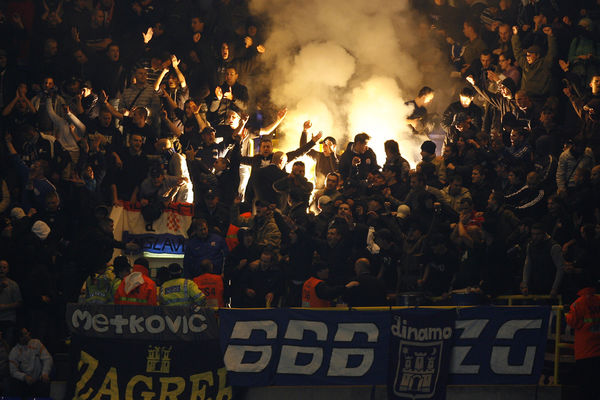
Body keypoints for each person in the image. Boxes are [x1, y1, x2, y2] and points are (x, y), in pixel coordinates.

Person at [565, 279, 600, 400]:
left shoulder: (578, 303)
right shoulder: (599, 300)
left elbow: (572, 321)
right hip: (598, 349)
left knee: (586, 389)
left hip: (584, 352)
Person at [520, 223, 565, 297]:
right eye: (533, 234)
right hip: (536, 286)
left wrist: (554, 288)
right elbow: (527, 265)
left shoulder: (554, 247)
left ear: (544, 233)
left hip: (550, 286)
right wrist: (525, 283)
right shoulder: (530, 246)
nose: (535, 237)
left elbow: (560, 268)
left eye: (538, 234)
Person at [8, 328, 53, 398]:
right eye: (25, 334)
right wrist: (24, 377)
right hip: (24, 383)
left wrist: (45, 373)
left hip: (40, 379)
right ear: (20, 338)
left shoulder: (36, 343)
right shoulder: (14, 352)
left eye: (27, 332)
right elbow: (13, 371)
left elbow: (47, 358)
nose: (28, 334)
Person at [0, 260, 21, 346]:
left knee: (7, 345)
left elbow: (19, 302)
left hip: (8, 319)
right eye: (0, 267)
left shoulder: (13, 285)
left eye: (4, 268)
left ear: (7, 270)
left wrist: (5, 307)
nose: (1, 270)